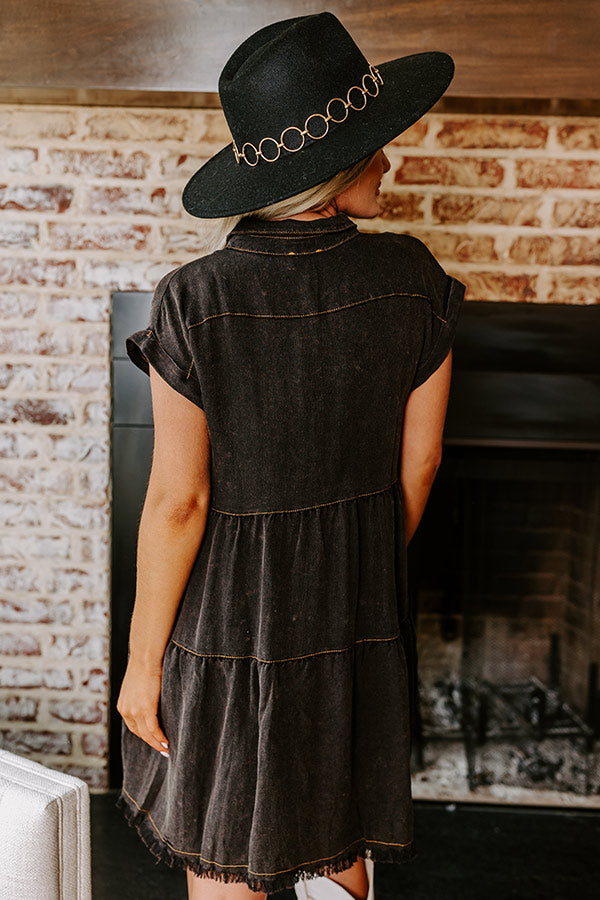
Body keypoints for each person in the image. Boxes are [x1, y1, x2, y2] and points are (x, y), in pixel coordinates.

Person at [116, 11, 465, 900]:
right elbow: (420, 464)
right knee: (335, 824)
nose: (388, 162)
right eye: (375, 146)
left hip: (228, 623)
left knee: (229, 838)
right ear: (335, 169)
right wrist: (355, 562)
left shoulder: (194, 298)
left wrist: (143, 667)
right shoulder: (416, 281)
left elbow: (180, 503)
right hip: (354, 610)